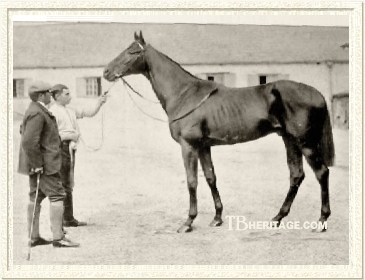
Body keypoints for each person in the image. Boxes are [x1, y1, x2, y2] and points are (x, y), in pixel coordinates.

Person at [18, 80, 79, 248]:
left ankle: (34, 237)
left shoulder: (36, 110)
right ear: (41, 95)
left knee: (35, 197)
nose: (50, 96)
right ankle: (58, 238)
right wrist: (37, 164)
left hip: (39, 164)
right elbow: (29, 141)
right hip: (45, 164)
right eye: (47, 93)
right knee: (57, 195)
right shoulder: (38, 112)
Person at [49, 84, 107, 227]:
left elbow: (89, 112)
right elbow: (51, 135)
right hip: (60, 150)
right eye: (67, 94)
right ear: (57, 96)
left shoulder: (70, 109)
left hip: (70, 150)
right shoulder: (52, 112)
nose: (70, 96)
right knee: (63, 184)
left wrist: (99, 102)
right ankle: (64, 219)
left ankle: (68, 218)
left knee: (69, 183)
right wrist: (70, 136)